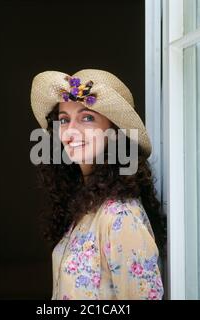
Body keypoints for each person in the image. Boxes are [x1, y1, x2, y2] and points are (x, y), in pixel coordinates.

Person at [30, 69, 166, 300]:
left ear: (114, 132)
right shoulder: (84, 205)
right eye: (64, 120)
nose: (70, 132)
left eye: (87, 117)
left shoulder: (120, 215)